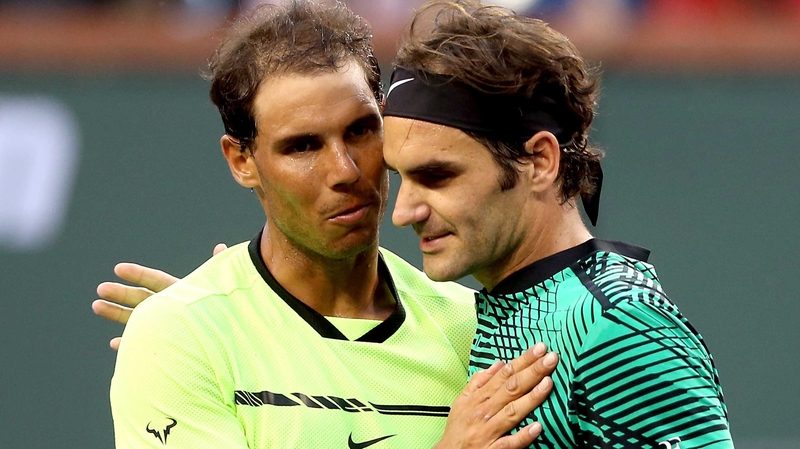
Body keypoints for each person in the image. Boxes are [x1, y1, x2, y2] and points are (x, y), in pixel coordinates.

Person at [105, 1, 557, 448]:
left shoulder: (479, 331)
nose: (345, 170)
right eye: (302, 146)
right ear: (241, 160)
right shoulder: (179, 338)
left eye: (361, 130)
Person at [379, 1, 733, 448]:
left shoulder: (617, 323)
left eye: (437, 176)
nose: (403, 212)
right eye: (401, 177)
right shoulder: (502, 310)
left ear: (540, 161)